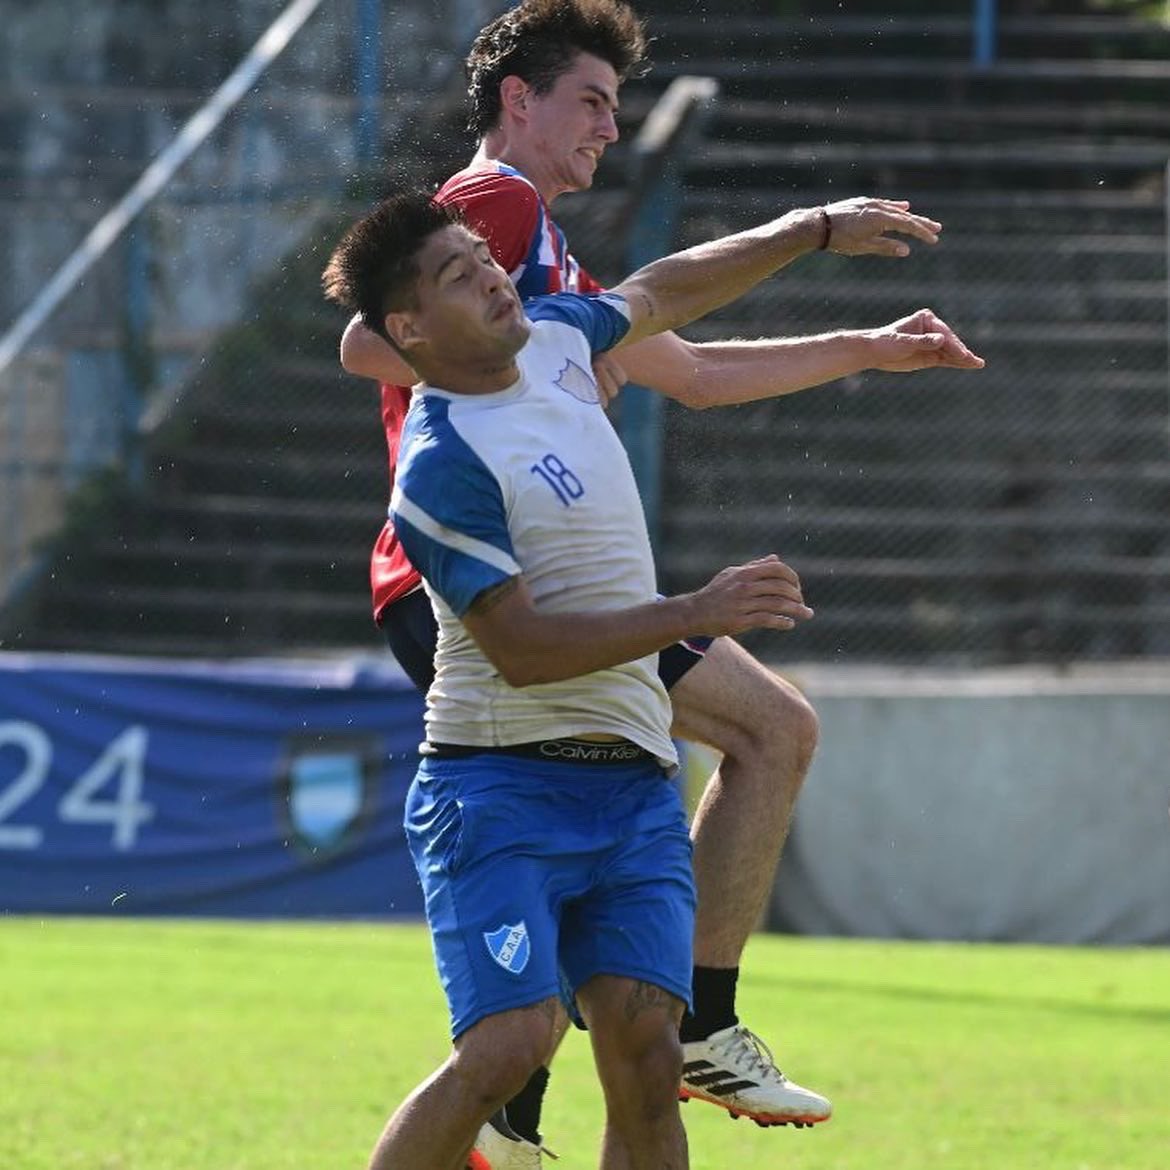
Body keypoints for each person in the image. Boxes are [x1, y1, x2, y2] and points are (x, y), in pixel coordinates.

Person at [338, 1, 979, 1162]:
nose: (607, 128)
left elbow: (680, 359)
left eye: (616, 109)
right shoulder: (500, 204)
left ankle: (564, 1083)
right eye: (589, 100)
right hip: (493, 585)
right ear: (516, 100)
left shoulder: (544, 263)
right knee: (770, 731)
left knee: (753, 747)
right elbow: (362, 343)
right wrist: (490, 379)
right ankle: (680, 1031)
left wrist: (863, 346)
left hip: (533, 581)